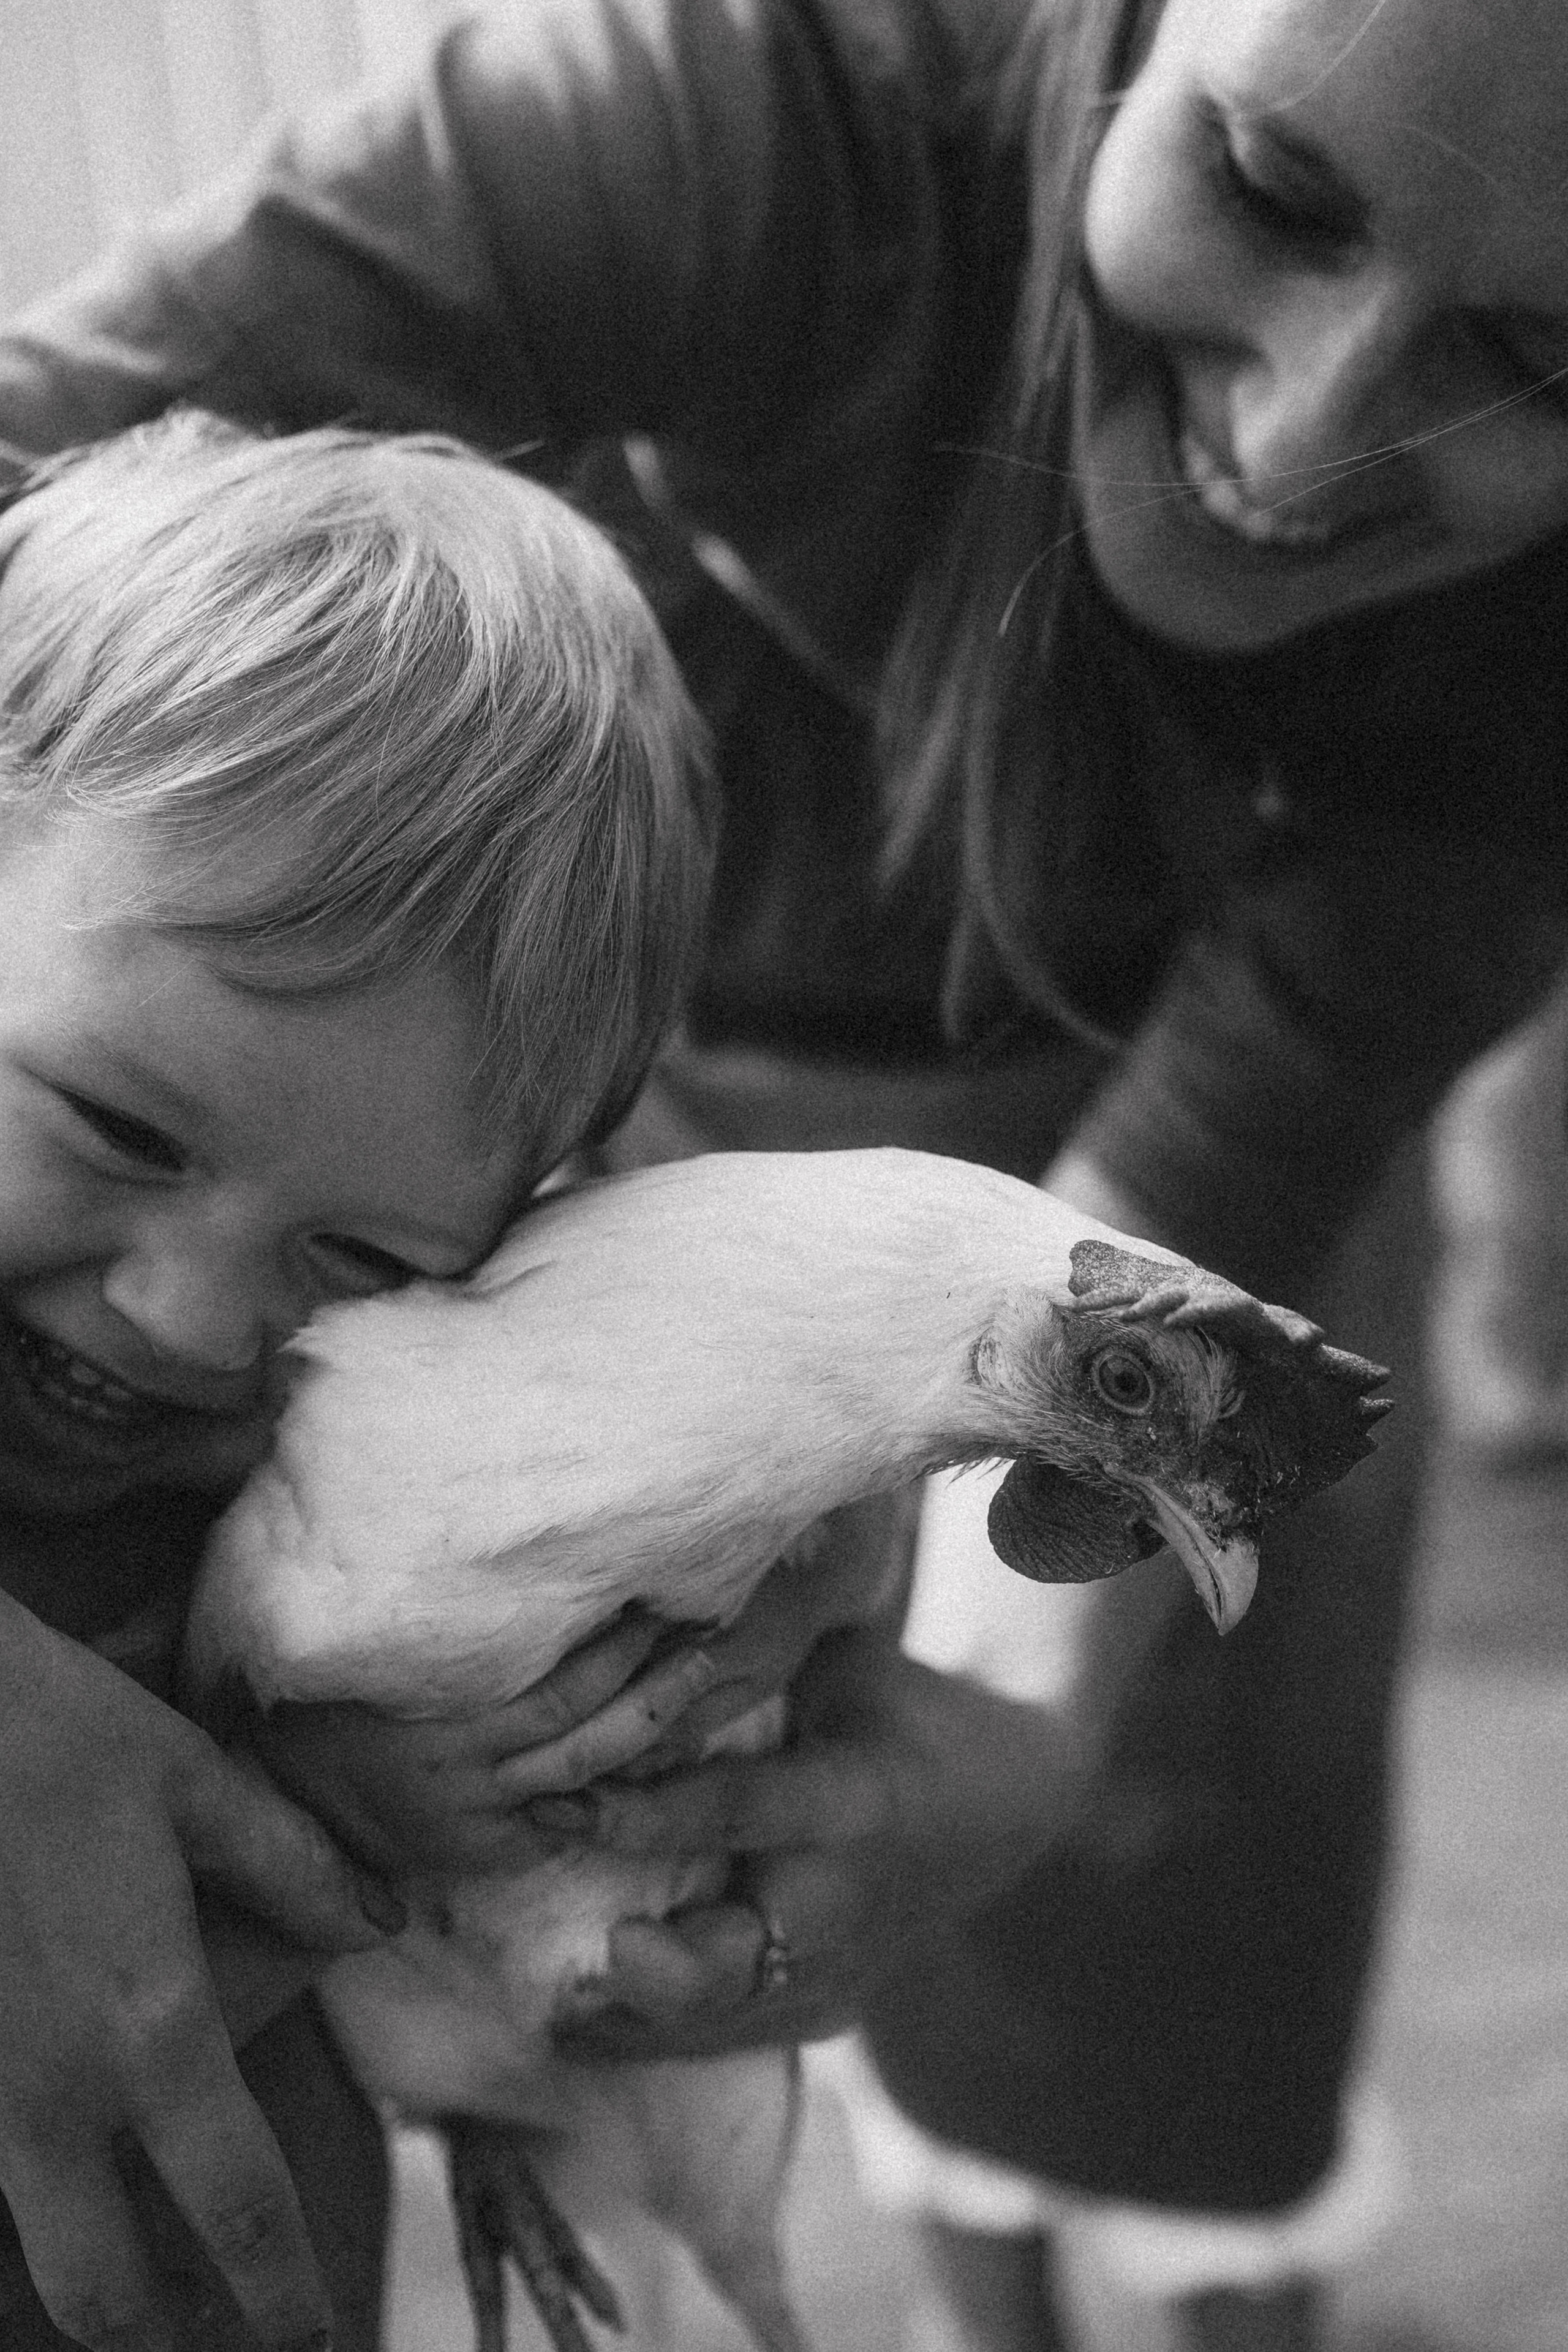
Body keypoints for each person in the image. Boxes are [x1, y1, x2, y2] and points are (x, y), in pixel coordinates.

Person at [4, 0, 1568, 2344]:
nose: (1313, 422)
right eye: (1271, 180)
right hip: (488, 1109)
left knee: (1161, 1868)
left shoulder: (1525, 696)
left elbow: (1223, 1185)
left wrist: (1014, 1747)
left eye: (1541, 352)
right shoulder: (709, 119)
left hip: (975, 1174)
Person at [0, 410, 717, 2351]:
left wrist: (331, 1796)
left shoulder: (337, 1476)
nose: (186, 1316)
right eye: (119, 1130)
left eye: (366, 1260)